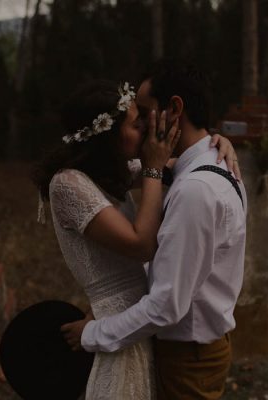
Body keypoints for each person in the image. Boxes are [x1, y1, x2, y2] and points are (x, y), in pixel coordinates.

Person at [32, 77, 241, 399]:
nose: (145, 127)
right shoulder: (68, 184)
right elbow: (141, 245)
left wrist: (218, 141)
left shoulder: (116, 170)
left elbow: (189, 160)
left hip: (140, 324)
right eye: (135, 122)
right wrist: (153, 169)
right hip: (117, 325)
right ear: (108, 134)